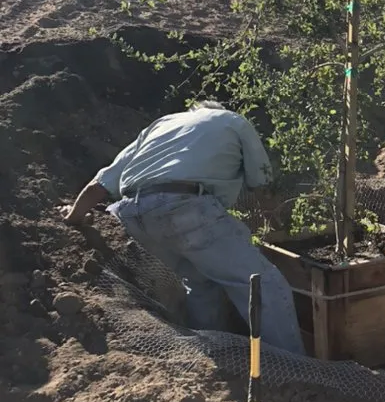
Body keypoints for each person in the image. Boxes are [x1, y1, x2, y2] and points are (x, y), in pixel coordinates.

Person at [60, 101, 305, 354]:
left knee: (200, 283)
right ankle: (296, 370)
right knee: (266, 284)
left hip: (132, 216)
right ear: (217, 109)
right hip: (186, 210)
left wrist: (73, 216)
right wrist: (276, 225)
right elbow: (262, 183)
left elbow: (98, 186)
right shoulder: (232, 120)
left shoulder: (161, 126)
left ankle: (213, 356)